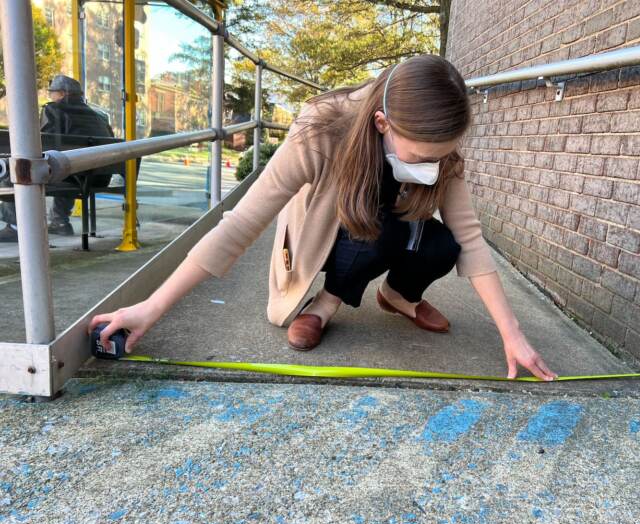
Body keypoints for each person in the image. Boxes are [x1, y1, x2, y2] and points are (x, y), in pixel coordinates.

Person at [89, 55, 557, 381]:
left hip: (389, 231)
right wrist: (152, 306)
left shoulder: (438, 141)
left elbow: (471, 240)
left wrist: (512, 335)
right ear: (382, 124)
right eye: (420, 155)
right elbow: (242, 221)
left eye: (442, 156)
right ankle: (324, 304)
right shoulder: (323, 127)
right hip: (333, 234)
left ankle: (398, 295)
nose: (431, 167)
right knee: (381, 229)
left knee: (444, 244)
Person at [0, 74, 114, 242]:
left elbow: (43, 143)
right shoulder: (99, 116)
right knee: (68, 165)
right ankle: (60, 222)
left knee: (13, 174)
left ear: (62, 93)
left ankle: (16, 227)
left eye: (52, 92)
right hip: (99, 177)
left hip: (73, 175)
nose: (50, 96)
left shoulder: (53, 109)